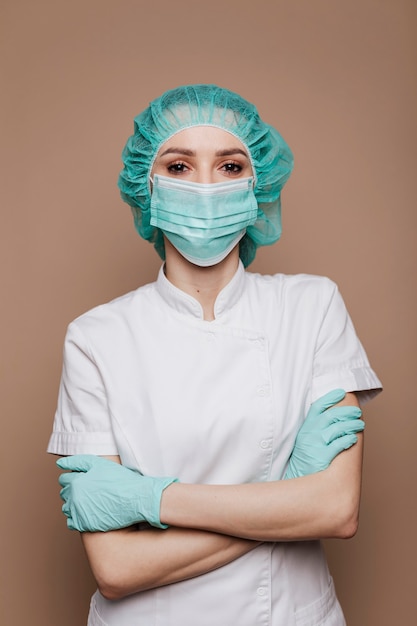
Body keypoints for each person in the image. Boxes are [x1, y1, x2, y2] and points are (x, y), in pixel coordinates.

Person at [48, 84, 382, 626]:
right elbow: (116, 568)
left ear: (258, 188)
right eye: (179, 167)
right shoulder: (95, 337)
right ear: (147, 189)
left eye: (229, 167)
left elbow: (336, 510)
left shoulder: (313, 304)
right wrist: (284, 500)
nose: (205, 187)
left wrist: (145, 500)